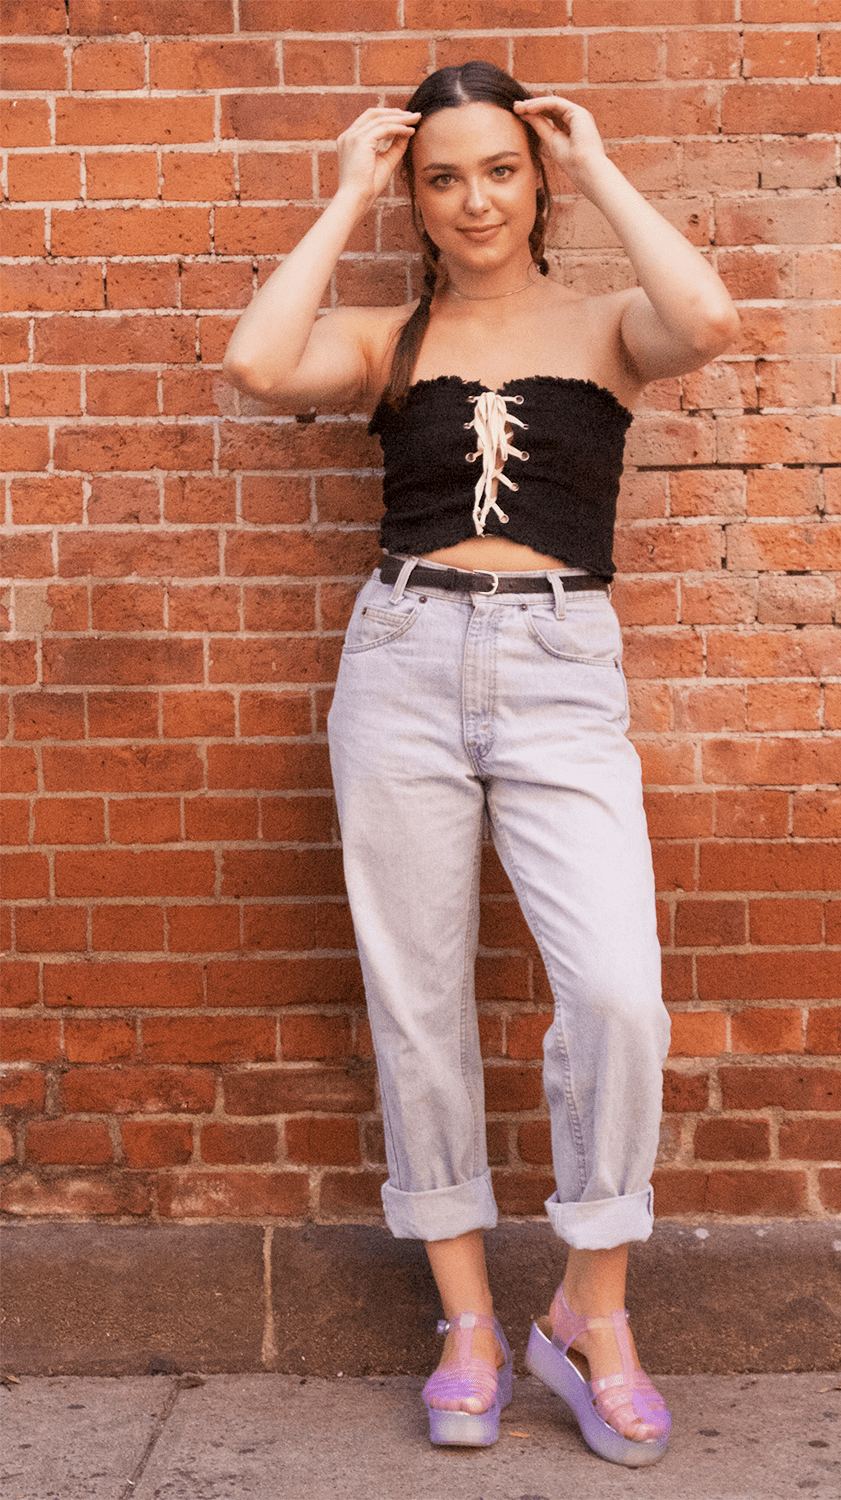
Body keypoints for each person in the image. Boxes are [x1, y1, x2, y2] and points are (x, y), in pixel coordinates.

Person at [224, 60, 739, 1468]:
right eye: (442, 176)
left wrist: (598, 162)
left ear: (536, 179)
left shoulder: (605, 327)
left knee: (618, 997)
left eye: (499, 168)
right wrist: (342, 195)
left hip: (565, 668)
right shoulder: (396, 336)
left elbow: (708, 315)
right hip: (400, 661)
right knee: (417, 997)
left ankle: (591, 1312)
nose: (473, 199)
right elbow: (262, 365)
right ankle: (465, 1324)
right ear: (418, 194)